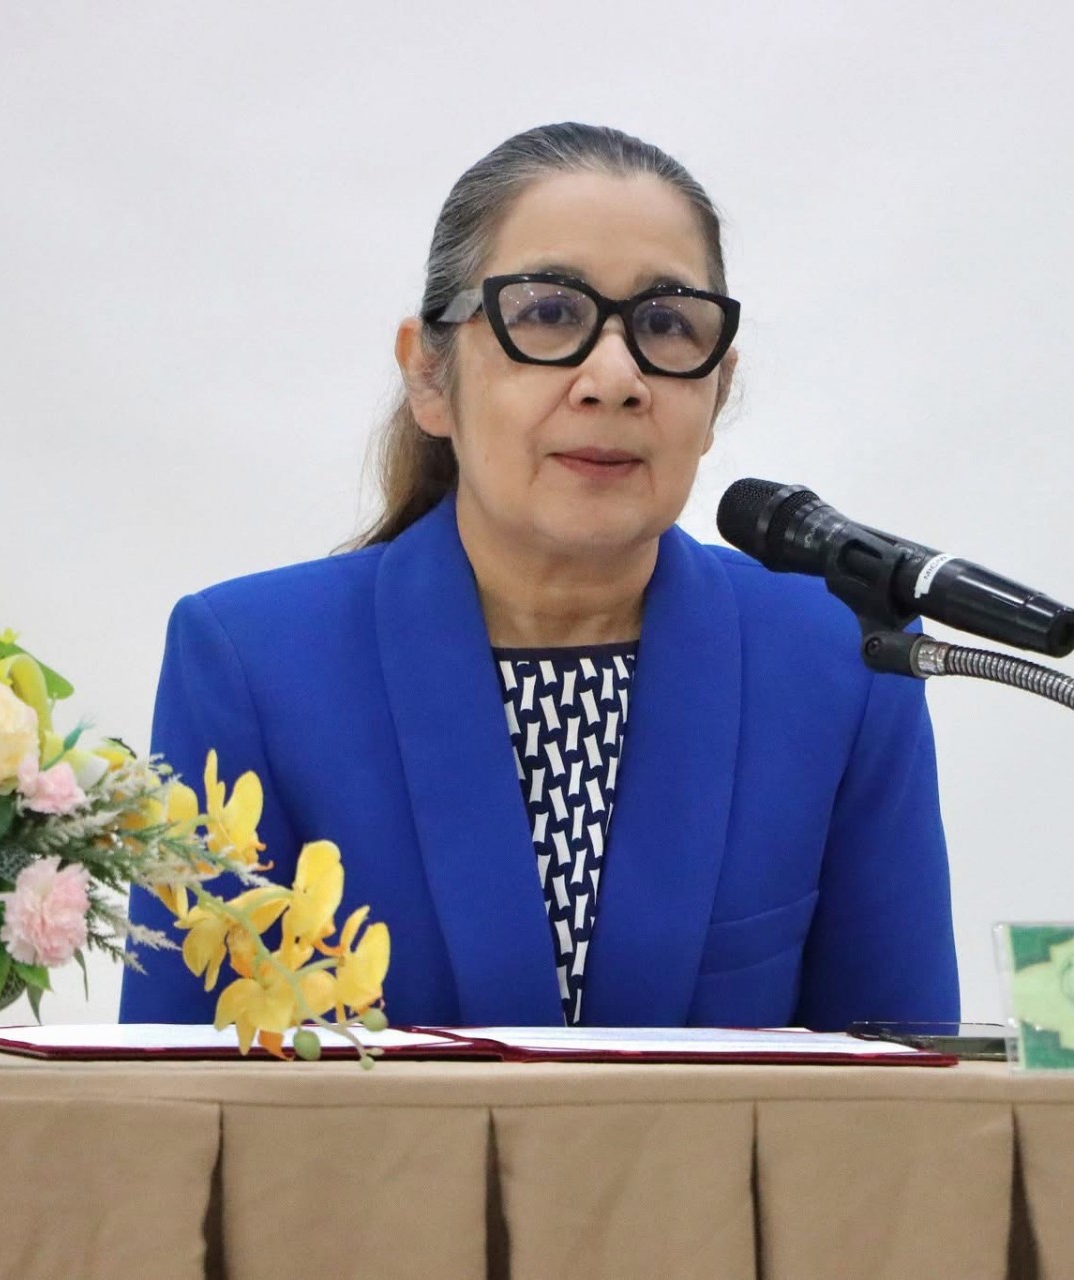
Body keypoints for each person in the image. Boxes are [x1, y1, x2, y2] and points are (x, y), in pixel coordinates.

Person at [119, 122, 959, 1030]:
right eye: (550, 313)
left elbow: (911, 1084)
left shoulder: (840, 658)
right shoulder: (250, 665)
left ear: (717, 390)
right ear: (429, 376)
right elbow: (181, 1086)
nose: (615, 378)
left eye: (667, 324)